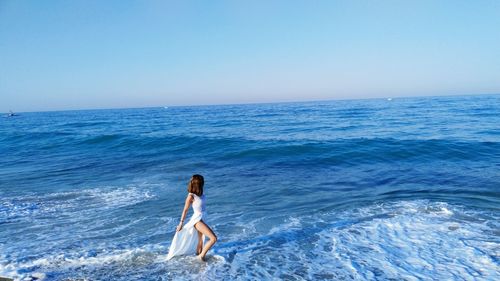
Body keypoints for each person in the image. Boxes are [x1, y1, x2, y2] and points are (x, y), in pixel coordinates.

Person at [166, 174, 217, 261]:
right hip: (197, 220)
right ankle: (201, 257)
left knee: (201, 240)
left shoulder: (201, 193)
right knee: (213, 238)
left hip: (203, 218)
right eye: (202, 181)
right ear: (199, 183)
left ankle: (198, 257)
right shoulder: (191, 196)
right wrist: (180, 224)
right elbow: (185, 210)